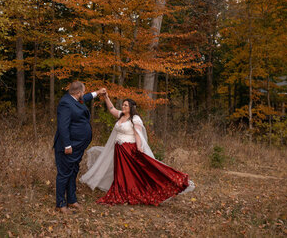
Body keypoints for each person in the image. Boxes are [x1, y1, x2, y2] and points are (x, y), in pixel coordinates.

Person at [80, 92, 194, 206]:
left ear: (131, 108)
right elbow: (111, 109)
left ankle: (172, 182)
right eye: (123, 105)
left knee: (134, 172)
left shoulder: (135, 119)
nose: (123, 107)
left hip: (129, 149)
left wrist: (139, 148)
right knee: (120, 172)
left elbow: (138, 134)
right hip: (119, 150)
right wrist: (106, 97)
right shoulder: (121, 115)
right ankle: (122, 191)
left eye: (126, 105)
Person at [53, 81, 106, 213]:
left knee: (73, 172)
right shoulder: (65, 103)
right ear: (78, 93)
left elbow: (85, 98)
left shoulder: (74, 99)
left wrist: (98, 93)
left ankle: (71, 200)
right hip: (68, 146)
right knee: (64, 174)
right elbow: (63, 126)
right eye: (83, 92)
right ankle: (60, 204)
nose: (84, 94)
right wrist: (67, 145)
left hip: (78, 146)